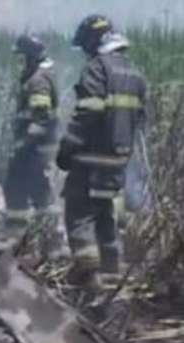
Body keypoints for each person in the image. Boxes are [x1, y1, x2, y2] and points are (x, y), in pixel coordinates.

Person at [57, 15, 146, 290]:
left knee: (79, 213)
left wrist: (67, 148)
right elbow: (141, 122)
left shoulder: (97, 68)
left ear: (94, 41)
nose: (85, 52)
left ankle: (89, 277)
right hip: (118, 160)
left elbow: (88, 113)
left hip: (91, 157)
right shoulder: (134, 73)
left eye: (85, 45)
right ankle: (111, 276)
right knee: (105, 213)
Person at [3, 33, 64, 257]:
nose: (21, 61)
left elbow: (41, 117)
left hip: (35, 147)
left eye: (22, 57)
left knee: (23, 189)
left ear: (30, 56)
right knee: (34, 191)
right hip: (36, 146)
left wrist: (24, 144)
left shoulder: (38, 80)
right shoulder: (37, 76)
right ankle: (42, 238)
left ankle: (24, 237)